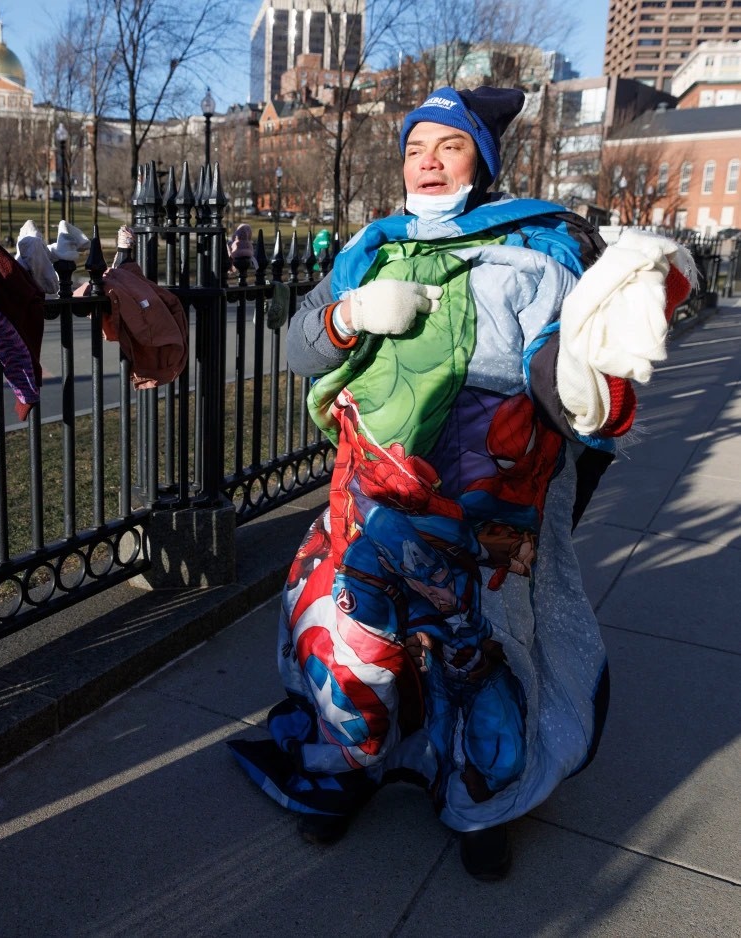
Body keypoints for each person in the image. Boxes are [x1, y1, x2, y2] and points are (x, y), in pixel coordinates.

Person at [228, 86, 694, 881]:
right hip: (370, 495)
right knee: (354, 648)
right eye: (417, 148)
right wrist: (349, 316)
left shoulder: (534, 249)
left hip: (485, 509)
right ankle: (339, 781)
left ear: (481, 160)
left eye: (450, 146)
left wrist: (587, 382)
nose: (430, 162)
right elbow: (302, 349)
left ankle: (483, 803)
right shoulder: (369, 247)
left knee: (477, 658)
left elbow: (558, 361)